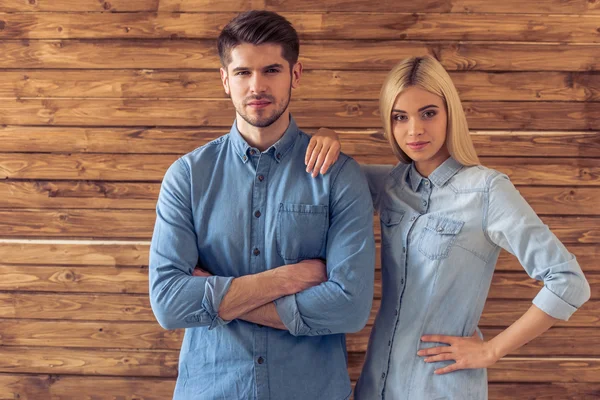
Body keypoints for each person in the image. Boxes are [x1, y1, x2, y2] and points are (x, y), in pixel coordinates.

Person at [306, 55, 591, 399]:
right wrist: (327, 135)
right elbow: (332, 177)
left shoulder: (487, 190)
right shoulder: (391, 185)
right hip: (376, 385)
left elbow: (569, 281)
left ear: (449, 113)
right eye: (400, 117)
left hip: (442, 387)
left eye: (428, 113)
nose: (414, 130)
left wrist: (492, 350)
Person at [148, 10, 375, 400]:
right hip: (212, 388)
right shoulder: (187, 176)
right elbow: (169, 302)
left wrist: (222, 300)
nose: (257, 86)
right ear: (225, 80)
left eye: (271, 70)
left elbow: (349, 308)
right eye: (242, 73)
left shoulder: (338, 176)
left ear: (295, 75)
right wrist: (286, 280)